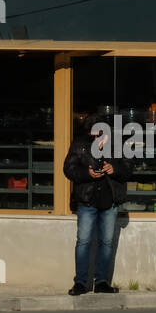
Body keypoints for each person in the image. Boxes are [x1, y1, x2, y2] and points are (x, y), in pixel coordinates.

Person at [63, 124, 132, 295]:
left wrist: (114, 169)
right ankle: (80, 283)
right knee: (84, 242)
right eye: (96, 135)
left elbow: (129, 168)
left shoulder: (119, 145)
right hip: (87, 200)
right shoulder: (80, 145)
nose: (99, 138)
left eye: (103, 135)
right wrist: (88, 174)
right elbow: (68, 169)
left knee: (107, 243)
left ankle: (102, 282)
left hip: (110, 201)